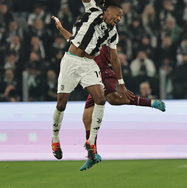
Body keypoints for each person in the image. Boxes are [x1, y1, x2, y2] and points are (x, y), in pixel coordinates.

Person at [52, 17, 166, 171]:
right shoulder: (83, 34)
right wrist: (60, 28)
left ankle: (151, 103)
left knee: (112, 99)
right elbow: (72, 40)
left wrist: (121, 82)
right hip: (90, 76)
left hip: (102, 72)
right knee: (86, 118)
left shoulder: (103, 31)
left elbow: (114, 55)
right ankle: (93, 154)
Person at [51, 0, 131, 163]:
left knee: (100, 99)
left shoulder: (112, 33)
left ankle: (92, 143)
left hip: (89, 64)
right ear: (108, 11)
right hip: (71, 61)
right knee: (62, 104)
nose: (119, 18)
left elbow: (115, 59)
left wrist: (121, 82)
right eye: (118, 15)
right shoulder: (93, 9)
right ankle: (55, 140)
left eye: (121, 17)